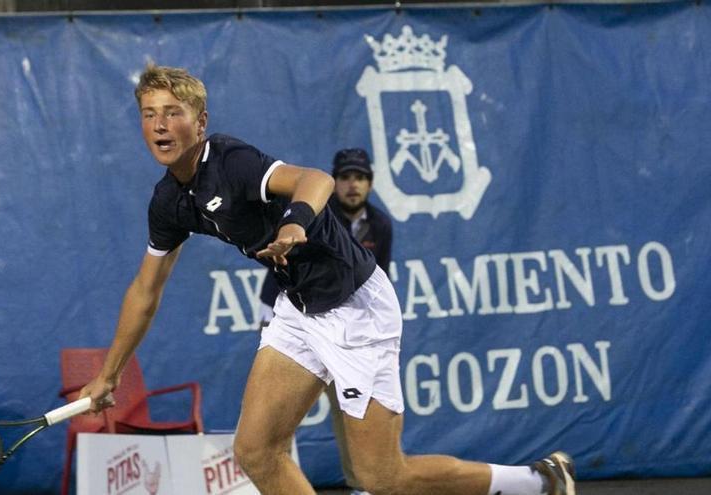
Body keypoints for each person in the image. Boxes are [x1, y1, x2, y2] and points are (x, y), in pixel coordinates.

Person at [79, 64, 576, 495]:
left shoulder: (230, 160)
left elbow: (315, 178)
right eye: (149, 114)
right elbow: (146, 291)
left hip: (354, 306)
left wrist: (295, 222)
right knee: (256, 451)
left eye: (173, 112)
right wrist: (111, 373)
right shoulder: (168, 201)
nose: (160, 125)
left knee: (381, 478)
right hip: (298, 310)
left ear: (200, 122)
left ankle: (539, 482)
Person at [258, 147, 392, 494]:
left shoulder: (381, 224)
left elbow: (380, 276)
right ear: (333, 183)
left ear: (371, 183)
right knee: (273, 421)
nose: (352, 185)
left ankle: (360, 485)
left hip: (353, 329)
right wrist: (266, 309)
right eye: (345, 177)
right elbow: (283, 258)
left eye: (359, 178)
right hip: (303, 319)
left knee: (352, 410)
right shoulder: (315, 212)